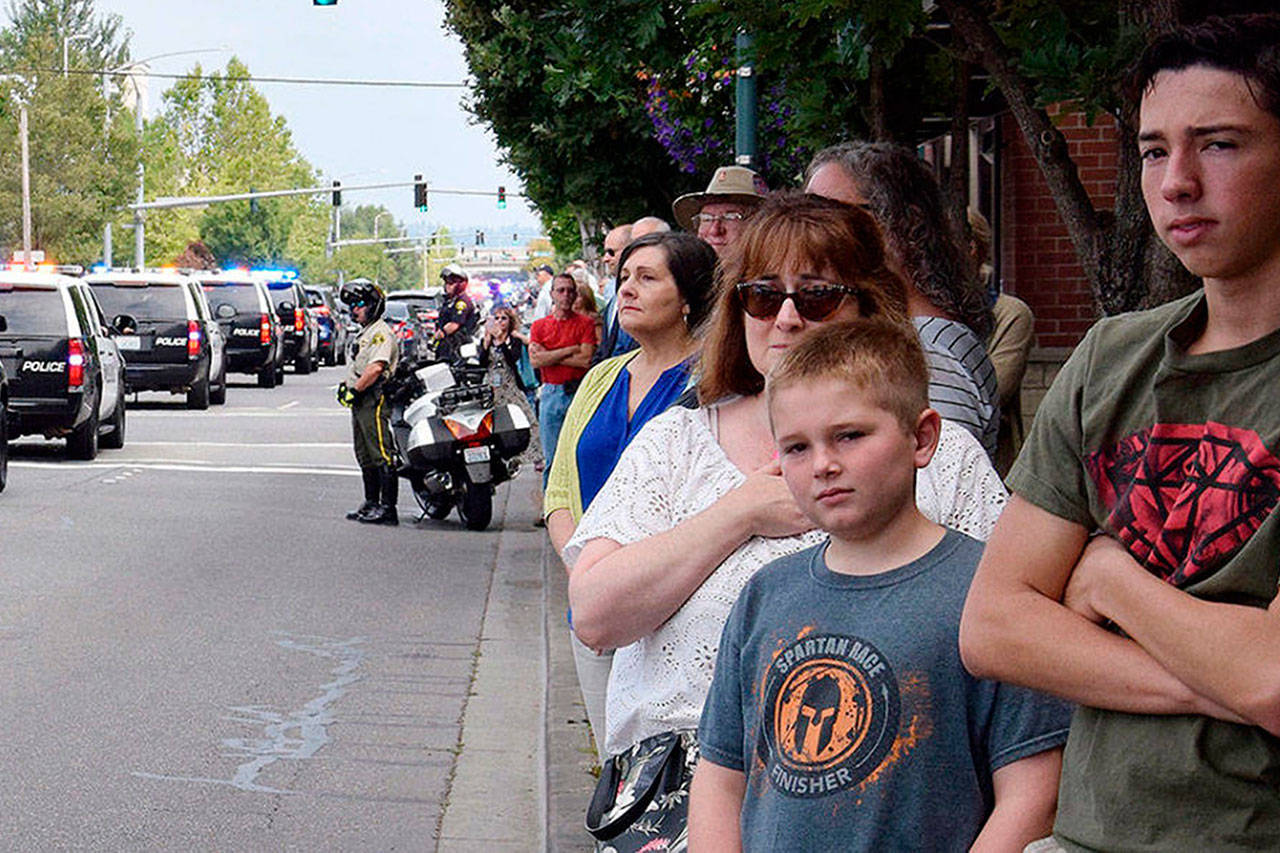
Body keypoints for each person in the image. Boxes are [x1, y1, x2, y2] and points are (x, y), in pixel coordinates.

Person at [564, 193, 1007, 848]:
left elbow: (1010, 621)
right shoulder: (678, 443)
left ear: (867, 305)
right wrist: (735, 513)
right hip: (685, 806)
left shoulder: (939, 455)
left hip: (892, 803)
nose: (788, 317)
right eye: (763, 296)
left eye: (818, 295)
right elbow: (595, 614)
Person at [959, 14, 1280, 851]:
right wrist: (1220, 681)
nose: (1175, 182)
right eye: (1151, 149)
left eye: (1218, 145)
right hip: (1084, 834)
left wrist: (1107, 581)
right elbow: (993, 624)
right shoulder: (1112, 357)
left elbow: (1275, 678)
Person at [690, 319, 1069, 852]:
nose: (823, 464)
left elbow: (1033, 792)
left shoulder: (992, 593)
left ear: (922, 436)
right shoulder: (764, 595)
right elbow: (721, 775)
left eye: (849, 435)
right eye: (796, 448)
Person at [545, 232, 717, 752]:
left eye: (647, 278)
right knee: (613, 762)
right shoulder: (602, 377)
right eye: (623, 279)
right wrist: (588, 572)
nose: (627, 290)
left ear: (688, 296)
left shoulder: (714, 381)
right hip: (596, 603)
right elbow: (558, 490)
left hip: (674, 606)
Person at [805, 143, 1000, 460]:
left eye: (828, 215)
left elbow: (936, 489)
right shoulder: (910, 336)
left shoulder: (931, 354)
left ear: (901, 222)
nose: (807, 231)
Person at [969, 208, 1035, 476]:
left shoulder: (1010, 314)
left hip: (991, 470)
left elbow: (992, 393)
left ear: (971, 248)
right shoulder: (911, 309)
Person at [338, 278, 401, 525]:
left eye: (360, 304)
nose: (355, 310)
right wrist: (347, 388)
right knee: (364, 452)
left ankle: (388, 508)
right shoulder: (366, 333)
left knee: (381, 452)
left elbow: (376, 368)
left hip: (374, 397)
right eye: (352, 305)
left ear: (373, 305)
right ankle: (371, 502)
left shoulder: (380, 333)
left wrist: (355, 389)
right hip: (361, 399)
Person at [530, 273, 598, 483]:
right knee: (552, 458)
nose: (566, 295)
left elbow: (586, 360)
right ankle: (549, 509)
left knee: (580, 454)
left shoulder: (585, 323)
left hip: (578, 391)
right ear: (552, 294)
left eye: (570, 290)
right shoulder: (539, 326)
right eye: (561, 290)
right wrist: (570, 349)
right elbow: (536, 361)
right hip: (551, 392)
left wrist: (549, 355)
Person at [479, 305, 541, 468]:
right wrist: (486, 343)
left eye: (503, 318)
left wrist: (502, 340)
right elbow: (482, 362)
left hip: (510, 384)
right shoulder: (487, 339)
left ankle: (535, 456)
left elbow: (512, 358)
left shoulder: (514, 339)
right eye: (497, 318)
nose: (500, 322)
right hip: (492, 385)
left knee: (527, 417)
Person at [672, 165, 768, 259]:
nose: (714, 230)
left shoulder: (773, 272)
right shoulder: (685, 272)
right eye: (706, 218)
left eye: (730, 217)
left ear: (758, 226)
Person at [433, 264, 479, 363]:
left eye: (451, 283)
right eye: (446, 283)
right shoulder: (451, 300)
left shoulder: (462, 302)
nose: (447, 286)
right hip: (448, 345)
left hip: (457, 346)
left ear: (460, 285)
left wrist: (439, 335)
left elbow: (455, 324)